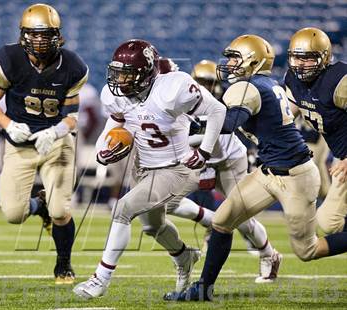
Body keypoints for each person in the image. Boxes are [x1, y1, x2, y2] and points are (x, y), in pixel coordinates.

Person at [164, 34, 347, 302]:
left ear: (253, 60)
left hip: (296, 176)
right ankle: (203, 289)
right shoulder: (268, 83)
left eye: (235, 58)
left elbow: (227, 124)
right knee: (221, 221)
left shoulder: (249, 88)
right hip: (268, 171)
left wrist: (179, 124)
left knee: (308, 250)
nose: (229, 64)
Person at [73, 39, 226, 299]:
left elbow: (217, 110)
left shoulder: (173, 87)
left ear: (145, 73)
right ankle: (184, 256)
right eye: (117, 72)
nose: (120, 80)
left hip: (176, 168)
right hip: (143, 166)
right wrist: (102, 147)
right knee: (153, 227)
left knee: (123, 209)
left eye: (127, 73)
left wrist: (205, 151)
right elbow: (116, 121)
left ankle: (101, 278)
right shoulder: (115, 96)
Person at [0, 3, 88, 285]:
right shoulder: (7, 59)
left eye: (46, 34)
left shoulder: (73, 66)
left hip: (57, 142)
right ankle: (38, 207)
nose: (39, 40)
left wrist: (54, 133)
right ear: (23, 34)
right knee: (14, 214)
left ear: (58, 35)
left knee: (61, 211)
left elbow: (72, 117)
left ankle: (63, 264)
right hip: (20, 143)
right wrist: (8, 125)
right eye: (34, 34)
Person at [161, 59, 281, 283]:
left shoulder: (227, 99)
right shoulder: (181, 100)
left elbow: (224, 127)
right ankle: (211, 219)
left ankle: (269, 254)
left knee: (242, 218)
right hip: (197, 161)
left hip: (228, 160)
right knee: (165, 201)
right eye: (199, 82)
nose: (204, 87)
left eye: (208, 82)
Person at [285, 27, 347, 234]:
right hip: (342, 158)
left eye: (308, 58)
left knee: (329, 220)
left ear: (324, 58)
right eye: (296, 57)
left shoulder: (338, 81)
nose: (300, 64)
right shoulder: (293, 81)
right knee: (329, 221)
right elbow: (285, 116)